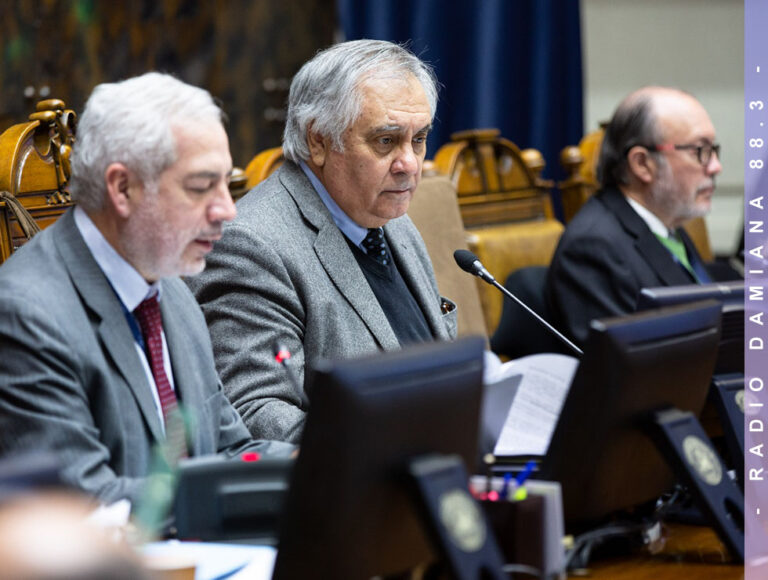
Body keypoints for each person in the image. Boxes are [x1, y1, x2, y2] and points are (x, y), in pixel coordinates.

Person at [0, 73, 292, 507]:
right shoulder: (26, 314)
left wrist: (317, 464)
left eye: (224, 183)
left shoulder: (169, 286)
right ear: (123, 189)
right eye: (201, 187)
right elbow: (84, 501)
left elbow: (231, 449)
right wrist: (232, 493)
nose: (228, 210)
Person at [188, 40, 457, 442]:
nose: (409, 165)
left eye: (418, 139)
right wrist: (390, 449)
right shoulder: (251, 246)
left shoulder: (392, 221)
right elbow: (256, 413)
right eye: (386, 141)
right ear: (318, 140)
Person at [545, 86, 722, 347]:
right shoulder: (593, 249)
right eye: (699, 151)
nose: (715, 166)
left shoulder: (666, 224)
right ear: (642, 163)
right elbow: (628, 365)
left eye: (713, 149)